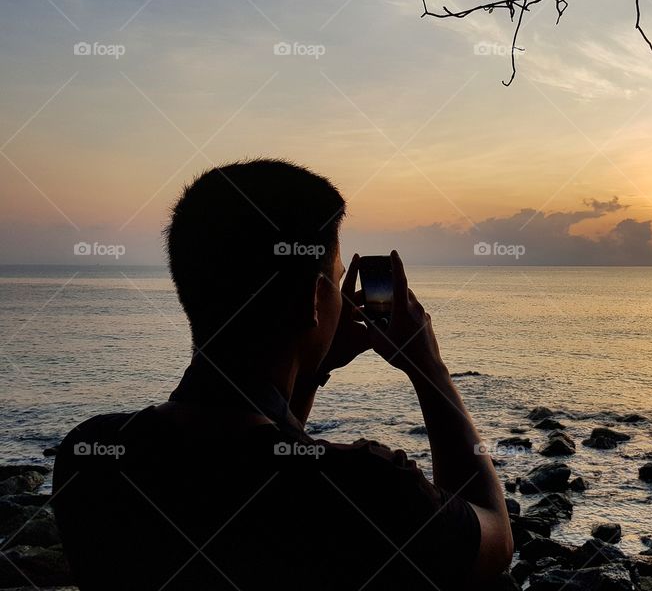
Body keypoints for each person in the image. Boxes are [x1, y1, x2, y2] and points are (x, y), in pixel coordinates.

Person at [52, 159, 513, 590]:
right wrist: (430, 370)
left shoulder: (89, 460)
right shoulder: (370, 492)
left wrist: (308, 370)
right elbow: (494, 540)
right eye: (334, 284)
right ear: (314, 300)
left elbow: (258, 458)